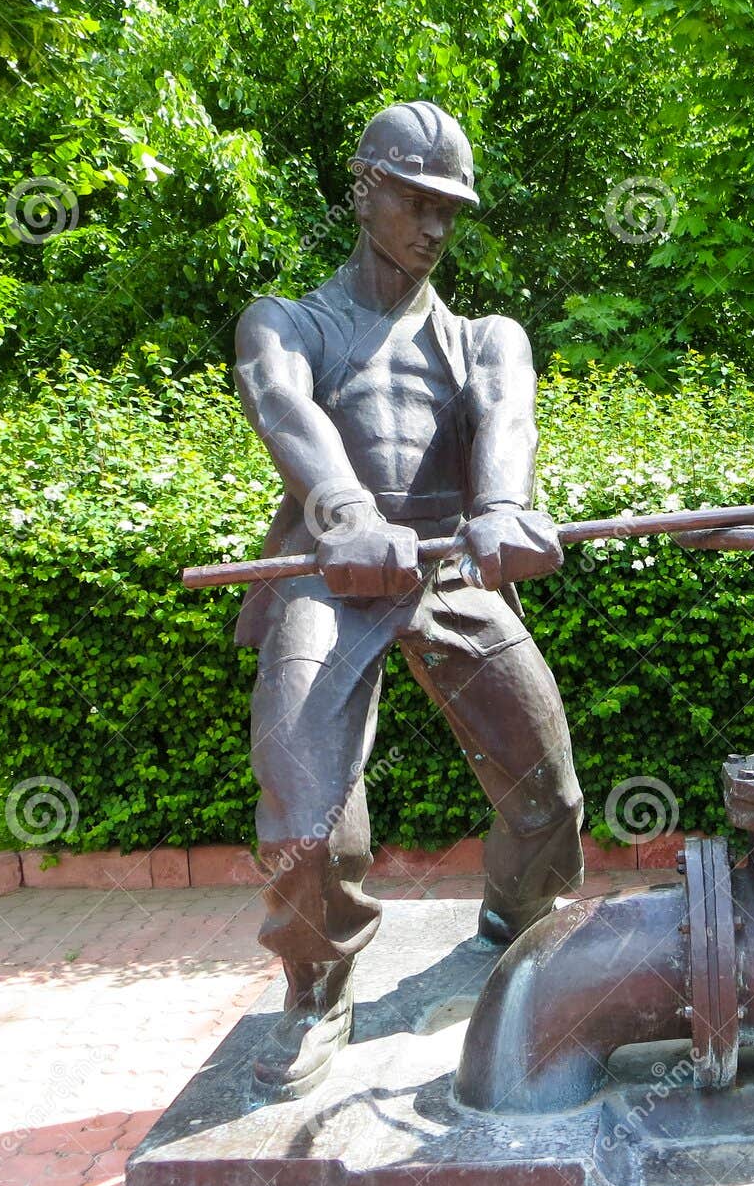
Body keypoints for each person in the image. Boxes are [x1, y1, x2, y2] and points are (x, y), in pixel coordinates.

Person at [232, 101, 584, 1097]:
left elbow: (507, 418)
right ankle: (316, 986)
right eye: (415, 202)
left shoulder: (485, 337)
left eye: (449, 210)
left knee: (548, 795)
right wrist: (345, 512)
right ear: (363, 191)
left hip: (447, 569)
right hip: (331, 573)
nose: (434, 227)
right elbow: (284, 408)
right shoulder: (286, 322)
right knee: (305, 814)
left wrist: (503, 507)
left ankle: (516, 932)